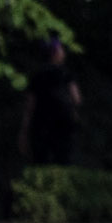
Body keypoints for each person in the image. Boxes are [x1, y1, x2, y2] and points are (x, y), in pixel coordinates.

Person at [24, 38, 82, 168]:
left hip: (41, 124)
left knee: (41, 162)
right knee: (64, 161)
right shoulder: (66, 74)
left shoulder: (37, 75)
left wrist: (25, 130)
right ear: (56, 53)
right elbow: (77, 99)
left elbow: (30, 105)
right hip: (64, 124)